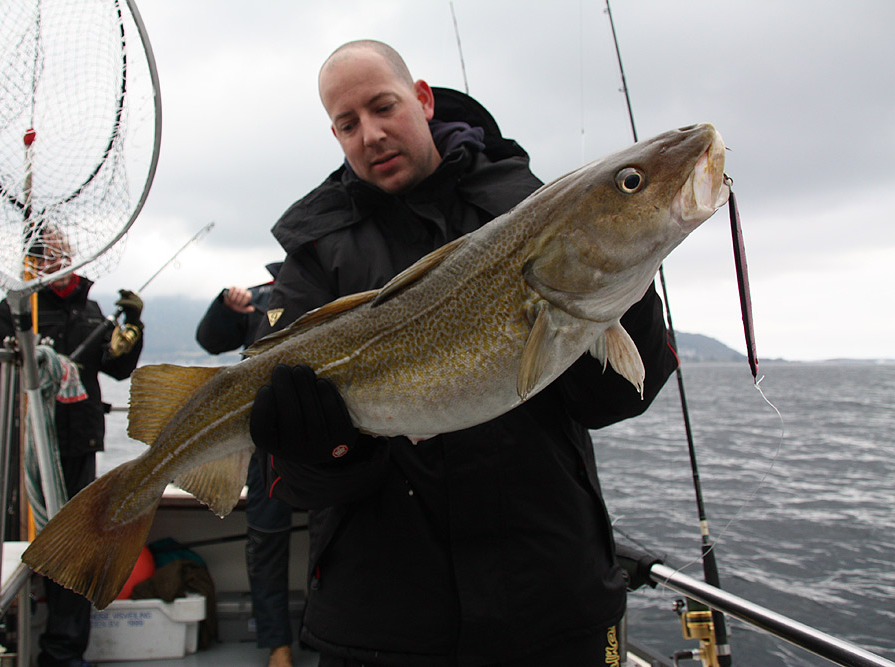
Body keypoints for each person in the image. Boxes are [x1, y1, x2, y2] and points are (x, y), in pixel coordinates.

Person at [247, 40, 679, 666]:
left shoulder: (526, 205)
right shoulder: (314, 253)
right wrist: (328, 446)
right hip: (385, 625)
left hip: (555, 600)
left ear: (421, 98)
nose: (370, 134)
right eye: (347, 124)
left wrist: (619, 279)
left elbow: (614, 398)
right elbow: (291, 479)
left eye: (383, 106)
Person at [0, 225, 145, 667]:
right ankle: (7, 640)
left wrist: (133, 328)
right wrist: (39, 368)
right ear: (30, 263)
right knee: (17, 547)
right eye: (45, 255)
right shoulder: (13, 312)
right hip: (25, 454)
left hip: (79, 445)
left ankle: (64, 652)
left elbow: (118, 369)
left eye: (61, 253)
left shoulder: (91, 309)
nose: (55, 261)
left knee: (75, 549)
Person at [195, 263, 296, 667]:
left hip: (331, 438)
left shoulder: (340, 280)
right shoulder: (260, 296)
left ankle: (327, 636)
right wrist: (225, 307)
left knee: (336, 538)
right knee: (267, 538)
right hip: (268, 445)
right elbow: (210, 342)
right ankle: (278, 645)